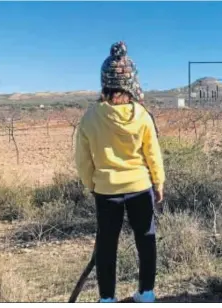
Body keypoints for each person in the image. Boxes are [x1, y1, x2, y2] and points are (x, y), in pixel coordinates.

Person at [75, 41, 165, 303]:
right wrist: (158, 182)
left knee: (107, 246)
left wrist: (92, 183)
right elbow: (153, 154)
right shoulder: (143, 116)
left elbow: (83, 159)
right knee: (146, 240)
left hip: (107, 191)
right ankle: (146, 293)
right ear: (132, 84)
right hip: (140, 187)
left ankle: (107, 299)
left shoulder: (90, 117)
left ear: (105, 83)